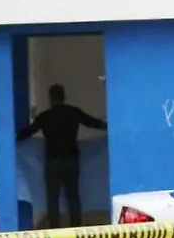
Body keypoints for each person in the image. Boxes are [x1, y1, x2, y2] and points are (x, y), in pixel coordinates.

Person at [16, 84, 108, 228]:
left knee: (53, 197)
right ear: (64, 96)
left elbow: (28, 132)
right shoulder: (73, 112)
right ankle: (76, 226)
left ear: (50, 98)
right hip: (71, 160)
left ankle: (55, 227)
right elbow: (92, 123)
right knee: (73, 195)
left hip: (53, 162)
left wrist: (13, 140)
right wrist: (110, 126)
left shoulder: (45, 117)